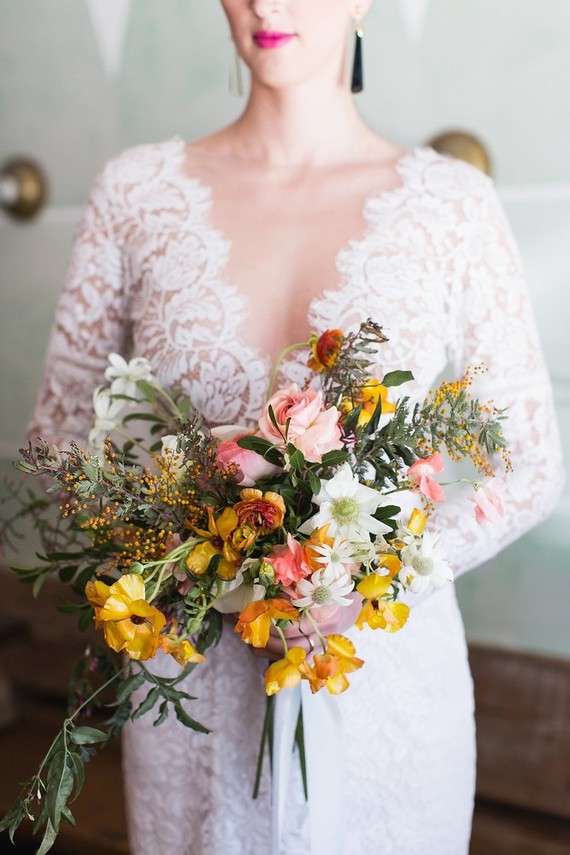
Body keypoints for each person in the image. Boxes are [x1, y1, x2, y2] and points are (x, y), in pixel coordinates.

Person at [28, 1, 564, 853]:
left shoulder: (450, 204)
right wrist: (184, 543)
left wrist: (380, 576)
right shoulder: (136, 193)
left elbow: (531, 462)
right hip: (191, 693)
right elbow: (57, 441)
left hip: (386, 685)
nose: (266, 4)